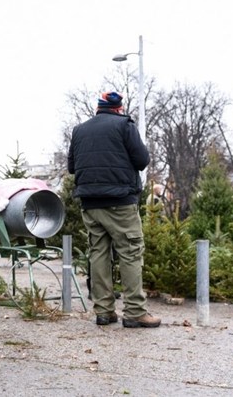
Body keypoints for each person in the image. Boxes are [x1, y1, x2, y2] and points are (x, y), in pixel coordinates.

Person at [67, 91, 161, 328]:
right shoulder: (124, 125)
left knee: (98, 253)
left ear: (98, 108)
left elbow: (71, 167)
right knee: (130, 252)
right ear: (119, 109)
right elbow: (142, 160)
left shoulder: (80, 130)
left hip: (90, 204)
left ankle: (104, 311)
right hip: (120, 201)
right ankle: (135, 312)